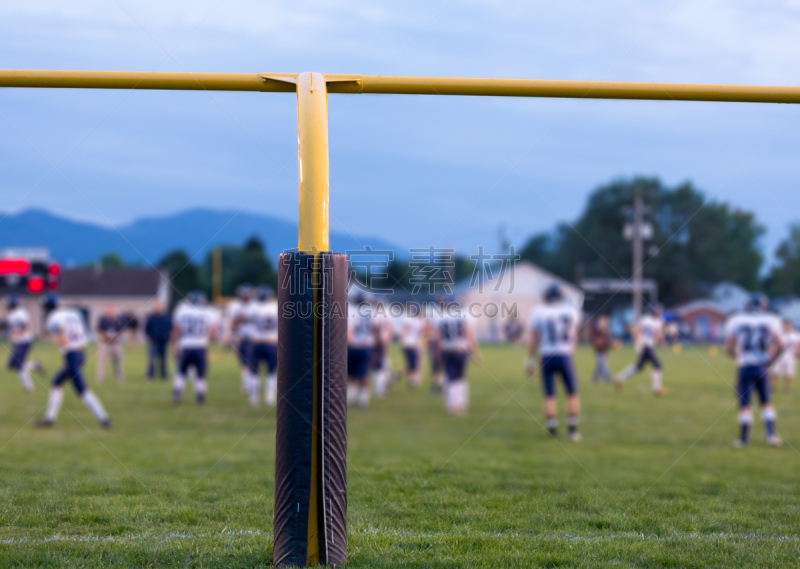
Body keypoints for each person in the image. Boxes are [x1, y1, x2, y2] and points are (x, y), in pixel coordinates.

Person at [36, 295, 111, 429]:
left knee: (82, 390)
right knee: (56, 383)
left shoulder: (54, 318)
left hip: (71, 354)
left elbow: (63, 339)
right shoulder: (73, 313)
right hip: (81, 352)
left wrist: (53, 339)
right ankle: (49, 419)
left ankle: (104, 419)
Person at [725, 294, 783, 448]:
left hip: (745, 366)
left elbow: (729, 347)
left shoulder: (737, 320)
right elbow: (781, 344)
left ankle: (744, 440)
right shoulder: (771, 320)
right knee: (766, 403)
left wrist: (738, 356)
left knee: (745, 405)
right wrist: (771, 359)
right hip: (761, 366)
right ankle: (771, 436)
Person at [526, 284, 581, 441]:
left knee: (549, 395)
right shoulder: (571, 311)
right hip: (565, 355)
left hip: (547, 355)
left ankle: (552, 428)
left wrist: (529, 360)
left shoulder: (539, 312)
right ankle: (572, 430)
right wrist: (571, 352)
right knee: (572, 393)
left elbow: (534, 338)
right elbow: (574, 336)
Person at [171, 291, 219, 405]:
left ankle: (177, 394)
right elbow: (212, 334)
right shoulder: (208, 313)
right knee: (201, 374)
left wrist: (174, 347)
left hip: (185, 346)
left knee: (180, 372)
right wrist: (208, 339)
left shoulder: (182, 312)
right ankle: (200, 397)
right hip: (200, 347)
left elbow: (176, 331)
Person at [435, 300, 479, 416]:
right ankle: (459, 404)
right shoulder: (464, 315)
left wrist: (438, 353)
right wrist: (474, 352)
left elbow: (438, 337)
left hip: (446, 349)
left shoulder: (441, 317)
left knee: (450, 377)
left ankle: (452, 404)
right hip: (461, 350)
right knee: (460, 377)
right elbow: (469, 334)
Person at [614, 304, 668, 396]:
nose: (659, 312)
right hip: (645, 346)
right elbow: (637, 331)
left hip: (649, 346)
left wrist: (662, 343)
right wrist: (638, 344)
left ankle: (619, 377)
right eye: (657, 311)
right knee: (657, 365)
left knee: (638, 367)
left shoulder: (657, 321)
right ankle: (656, 389)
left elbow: (657, 335)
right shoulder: (646, 320)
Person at [5, 296, 44, 392]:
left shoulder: (20, 313)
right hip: (18, 342)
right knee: (11, 364)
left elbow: (26, 326)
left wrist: (15, 333)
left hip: (24, 341)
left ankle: (29, 388)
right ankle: (35, 365)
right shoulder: (12, 314)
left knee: (18, 365)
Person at [247, 286, 279, 407]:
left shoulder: (254, 307)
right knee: (271, 371)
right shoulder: (276, 307)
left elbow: (247, 321)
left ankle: (254, 398)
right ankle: (269, 398)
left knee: (254, 371)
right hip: (272, 342)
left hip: (256, 342)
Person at [225, 285, 255, 395]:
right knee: (243, 362)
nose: (246, 297)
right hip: (240, 337)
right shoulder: (234, 306)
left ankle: (250, 384)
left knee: (250, 361)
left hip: (253, 338)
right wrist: (230, 335)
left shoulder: (255, 306)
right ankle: (247, 383)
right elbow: (231, 323)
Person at [347, 294, 376, 409]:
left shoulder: (351, 311)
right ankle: (363, 399)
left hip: (354, 345)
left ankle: (352, 397)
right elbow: (376, 328)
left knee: (352, 374)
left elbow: (349, 329)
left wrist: (350, 342)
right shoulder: (371, 312)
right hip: (366, 345)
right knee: (363, 374)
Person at [370, 300, 394, 399]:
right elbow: (390, 328)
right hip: (380, 341)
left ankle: (383, 384)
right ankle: (386, 380)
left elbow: (377, 328)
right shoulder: (386, 313)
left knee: (377, 365)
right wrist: (386, 339)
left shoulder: (373, 314)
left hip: (374, 342)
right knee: (381, 363)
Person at [96, 304, 125, 383]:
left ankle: (119, 376)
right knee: (102, 361)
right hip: (105, 343)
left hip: (115, 343)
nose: (110, 311)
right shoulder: (102, 319)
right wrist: (106, 336)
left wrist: (115, 337)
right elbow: (99, 330)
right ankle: (101, 377)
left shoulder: (117, 320)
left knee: (118, 360)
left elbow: (120, 331)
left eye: (112, 309)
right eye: (109, 309)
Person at [769, 318, 800, 394]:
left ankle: (787, 388)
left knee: (789, 373)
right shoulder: (780, 334)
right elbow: (774, 344)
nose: (786, 327)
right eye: (785, 325)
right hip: (779, 355)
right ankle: (773, 386)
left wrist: (798, 352)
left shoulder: (795, 335)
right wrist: (772, 352)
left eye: (787, 325)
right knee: (775, 371)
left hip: (790, 355)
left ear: (790, 326)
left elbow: (798, 345)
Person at [144, 300, 172, 381]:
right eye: (157, 306)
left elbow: (170, 327)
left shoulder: (166, 317)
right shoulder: (151, 317)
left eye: (160, 306)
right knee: (152, 359)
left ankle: (164, 375)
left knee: (163, 360)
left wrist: (168, 337)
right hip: (154, 341)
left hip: (163, 341)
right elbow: (147, 328)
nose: (158, 308)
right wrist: (149, 336)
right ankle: (150, 375)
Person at [400, 310, 424, 388]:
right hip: (413, 345)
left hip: (407, 344)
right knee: (413, 365)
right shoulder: (419, 322)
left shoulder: (408, 319)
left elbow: (403, 331)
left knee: (411, 365)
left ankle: (412, 380)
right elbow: (420, 334)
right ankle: (413, 381)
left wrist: (404, 340)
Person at [591, 315, 613, 383]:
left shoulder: (606, 332)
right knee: (602, 366)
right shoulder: (598, 332)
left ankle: (594, 379)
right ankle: (608, 378)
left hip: (603, 351)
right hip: (599, 351)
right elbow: (597, 342)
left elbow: (607, 343)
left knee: (600, 366)